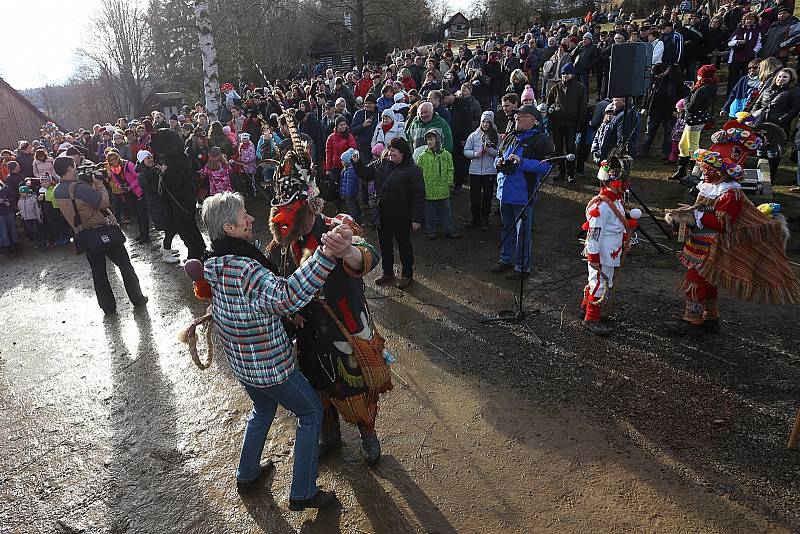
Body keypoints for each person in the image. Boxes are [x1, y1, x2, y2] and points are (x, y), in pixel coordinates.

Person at [199, 191, 345, 510]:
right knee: (310, 412)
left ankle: (247, 473)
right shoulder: (246, 268)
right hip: (269, 366)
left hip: (242, 364)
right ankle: (303, 492)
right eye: (243, 218)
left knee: (263, 410)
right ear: (230, 230)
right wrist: (325, 255)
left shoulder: (214, 260)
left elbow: (251, 303)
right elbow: (287, 295)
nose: (252, 219)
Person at [265, 137, 392, 467]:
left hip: (344, 325)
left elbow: (368, 254)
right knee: (316, 386)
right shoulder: (284, 242)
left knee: (354, 384)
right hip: (308, 333)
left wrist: (349, 251)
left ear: (309, 203)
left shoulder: (338, 226)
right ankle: (329, 433)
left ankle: (367, 431)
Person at [664, 117, 800, 336]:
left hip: (714, 246)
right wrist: (681, 218)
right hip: (701, 243)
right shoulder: (710, 187)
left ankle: (692, 321)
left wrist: (692, 216)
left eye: (711, 168)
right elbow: (702, 210)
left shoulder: (730, 194)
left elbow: (721, 222)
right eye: (705, 167)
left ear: (725, 171)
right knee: (707, 282)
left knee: (695, 281)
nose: (705, 172)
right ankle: (711, 318)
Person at [52, 155, 147, 314]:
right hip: (101, 230)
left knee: (99, 272)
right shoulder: (79, 188)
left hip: (84, 235)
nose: (76, 169)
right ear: (69, 169)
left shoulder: (58, 190)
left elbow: (79, 205)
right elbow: (104, 203)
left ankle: (108, 307)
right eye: (74, 166)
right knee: (125, 266)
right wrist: (99, 184)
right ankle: (137, 298)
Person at [491, 104, 555, 280]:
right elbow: (499, 154)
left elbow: (548, 167)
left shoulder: (541, 139)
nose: (517, 117)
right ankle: (506, 260)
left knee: (523, 233)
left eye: (522, 115)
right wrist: (498, 162)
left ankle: (522, 267)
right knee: (506, 227)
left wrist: (522, 161)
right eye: (517, 115)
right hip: (505, 192)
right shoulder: (511, 135)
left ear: (533, 120)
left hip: (524, 195)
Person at [353, 137, 424, 289]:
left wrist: (417, 218)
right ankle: (387, 272)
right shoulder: (381, 164)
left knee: (404, 245)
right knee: (384, 245)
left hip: (402, 215)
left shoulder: (413, 170)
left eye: (394, 151)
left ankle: (407, 275)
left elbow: (419, 195)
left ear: (403, 152)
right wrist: (356, 162)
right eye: (389, 150)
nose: (390, 154)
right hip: (383, 213)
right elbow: (365, 174)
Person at [580, 158, 634, 336]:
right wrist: (593, 258)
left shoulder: (616, 201)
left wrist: (625, 238)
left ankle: (585, 308)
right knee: (599, 284)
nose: (626, 186)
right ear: (614, 182)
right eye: (623, 182)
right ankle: (591, 318)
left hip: (611, 251)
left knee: (597, 281)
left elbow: (617, 225)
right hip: (602, 253)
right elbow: (594, 235)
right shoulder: (601, 206)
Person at [150, 128, 207, 261]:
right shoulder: (179, 157)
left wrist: (162, 174)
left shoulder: (174, 161)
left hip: (180, 202)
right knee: (190, 227)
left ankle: (195, 255)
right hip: (185, 200)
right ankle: (200, 250)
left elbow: (173, 183)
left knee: (186, 229)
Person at [671, 65, 719, 182]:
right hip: (695, 121)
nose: (697, 76)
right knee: (683, 145)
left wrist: (686, 98)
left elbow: (691, 108)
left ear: (702, 76)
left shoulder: (702, 90)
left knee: (693, 149)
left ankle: (693, 175)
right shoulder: (709, 87)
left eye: (699, 75)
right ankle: (681, 171)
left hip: (694, 121)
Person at [750, 67, 800, 178]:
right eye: (779, 76)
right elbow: (757, 104)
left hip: (778, 126)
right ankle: (759, 175)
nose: (781, 79)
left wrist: (782, 119)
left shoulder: (793, 91)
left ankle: (770, 177)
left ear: (790, 79)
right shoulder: (767, 89)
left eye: (785, 77)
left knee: (773, 152)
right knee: (760, 149)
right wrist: (752, 118)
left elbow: (795, 108)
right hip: (761, 124)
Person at [545, 63, 587, 182]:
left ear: (572, 74)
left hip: (572, 124)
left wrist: (580, 123)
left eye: (567, 73)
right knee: (558, 148)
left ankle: (571, 173)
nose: (564, 76)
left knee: (570, 148)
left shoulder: (580, 88)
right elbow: (549, 103)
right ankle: (561, 171)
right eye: (563, 73)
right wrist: (551, 114)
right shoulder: (555, 88)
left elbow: (583, 106)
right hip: (557, 123)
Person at [415, 130, 457, 239]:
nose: (429, 142)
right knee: (430, 213)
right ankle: (431, 231)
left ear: (437, 140)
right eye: (428, 139)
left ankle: (449, 230)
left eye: (431, 139)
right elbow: (418, 172)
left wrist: (448, 182)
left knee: (446, 212)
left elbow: (450, 169)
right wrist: (421, 186)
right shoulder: (423, 156)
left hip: (443, 188)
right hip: (429, 189)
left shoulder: (446, 155)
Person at [463, 111, 499, 230]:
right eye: (483, 121)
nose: (485, 124)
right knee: (475, 196)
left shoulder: (496, 136)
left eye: (488, 122)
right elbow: (466, 151)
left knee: (487, 196)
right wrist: (475, 154)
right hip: (475, 171)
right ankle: (475, 218)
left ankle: (485, 219)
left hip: (489, 171)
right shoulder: (473, 135)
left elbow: (500, 153)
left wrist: (489, 150)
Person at [105, 150, 149, 243]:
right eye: (111, 161)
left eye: (114, 159)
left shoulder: (128, 165)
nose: (113, 162)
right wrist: (119, 186)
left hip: (137, 192)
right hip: (127, 193)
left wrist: (130, 187)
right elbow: (115, 181)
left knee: (141, 214)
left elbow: (139, 177)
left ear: (118, 158)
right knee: (136, 214)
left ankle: (145, 235)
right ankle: (142, 233)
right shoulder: (112, 169)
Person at [450, 83, 482, 194]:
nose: (463, 90)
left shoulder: (475, 103)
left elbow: (478, 117)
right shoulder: (456, 101)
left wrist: (470, 126)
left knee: (465, 156)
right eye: (462, 88)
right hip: (457, 133)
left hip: (470, 132)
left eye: (466, 88)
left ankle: (464, 174)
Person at [726, 12, 761, 96]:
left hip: (749, 58)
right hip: (736, 58)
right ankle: (730, 93)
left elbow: (759, 43)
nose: (749, 21)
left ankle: (743, 93)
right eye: (747, 19)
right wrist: (738, 41)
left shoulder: (757, 31)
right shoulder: (739, 30)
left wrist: (753, 51)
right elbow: (729, 43)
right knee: (733, 77)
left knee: (746, 76)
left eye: (751, 19)